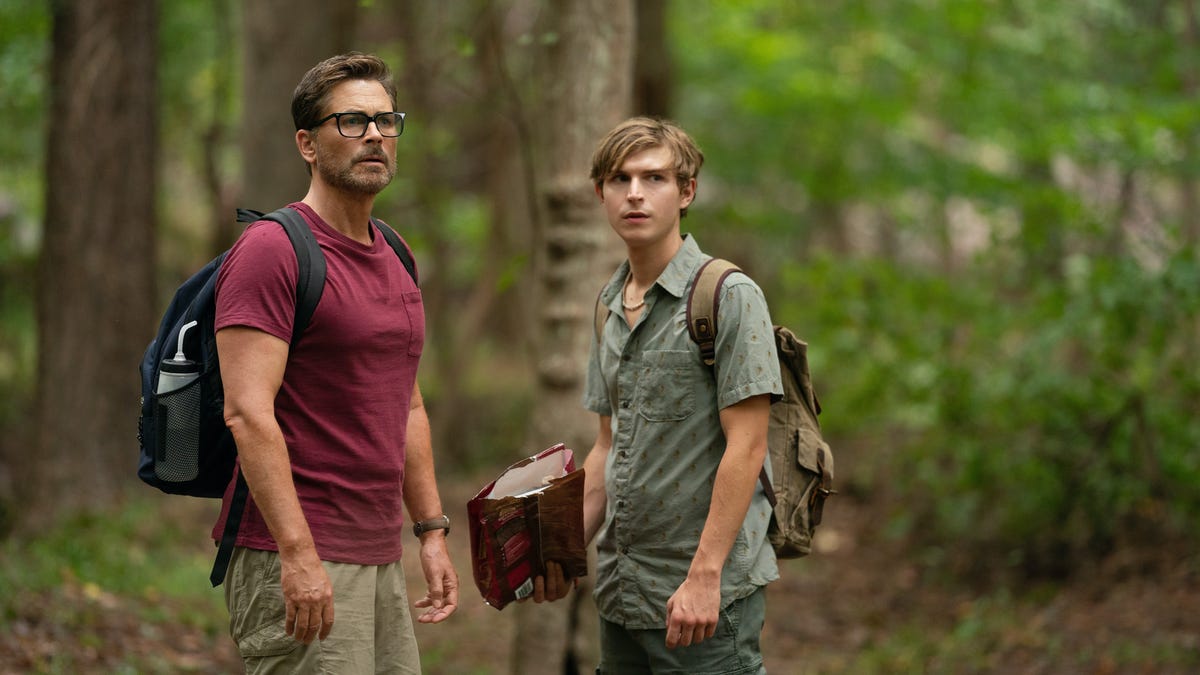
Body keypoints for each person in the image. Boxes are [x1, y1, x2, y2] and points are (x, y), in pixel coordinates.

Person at [212, 52, 458, 673]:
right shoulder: (272, 250)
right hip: (297, 549)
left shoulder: (395, 252)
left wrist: (429, 531)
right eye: (350, 122)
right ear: (308, 144)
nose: (375, 135)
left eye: (386, 121)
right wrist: (298, 555)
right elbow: (246, 412)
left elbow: (406, 400)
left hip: (378, 552)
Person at [536, 116, 783, 673]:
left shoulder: (727, 295)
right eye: (619, 180)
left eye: (654, 178)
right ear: (600, 193)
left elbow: (747, 446)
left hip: (701, 602)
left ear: (686, 191)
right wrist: (564, 547)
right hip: (622, 594)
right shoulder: (606, 305)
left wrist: (704, 577)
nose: (635, 194)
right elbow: (607, 446)